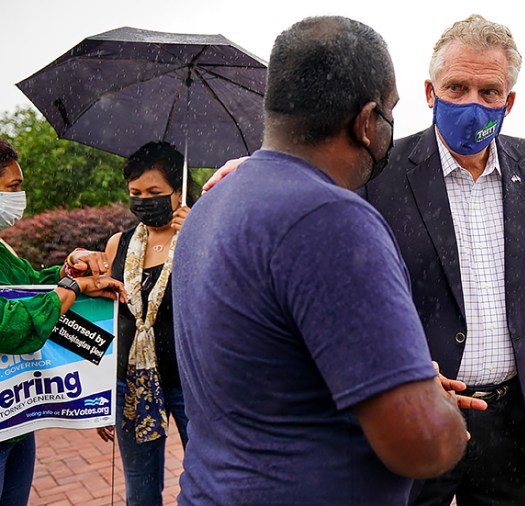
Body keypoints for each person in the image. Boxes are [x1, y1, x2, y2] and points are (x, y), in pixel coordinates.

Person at [200, 15, 525, 505]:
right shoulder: (380, 166)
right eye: (457, 87)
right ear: (429, 91)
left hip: (513, 416)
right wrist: (257, 169)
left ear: (509, 102)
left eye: (489, 92)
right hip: (416, 416)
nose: (472, 104)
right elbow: (305, 176)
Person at [172, 17, 470, 505]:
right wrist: (433, 405)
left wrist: (392, 376)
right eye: (391, 111)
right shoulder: (331, 218)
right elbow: (421, 446)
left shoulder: (214, 204)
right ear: (366, 121)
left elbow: (274, 373)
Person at [0, 138, 126, 506]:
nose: (19, 197)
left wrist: (73, 267)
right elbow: (8, 325)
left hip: (15, 421)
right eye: (12, 188)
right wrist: (71, 288)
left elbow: (31, 287)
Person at [93, 141, 190, 506]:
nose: (143, 200)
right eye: (135, 193)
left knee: (208, 479)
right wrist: (101, 393)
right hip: (131, 382)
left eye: (154, 192)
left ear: (177, 191)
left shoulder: (200, 234)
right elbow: (108, 319)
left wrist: (199, 230)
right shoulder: (119, 243)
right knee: (141, 491)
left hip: (189, 383)